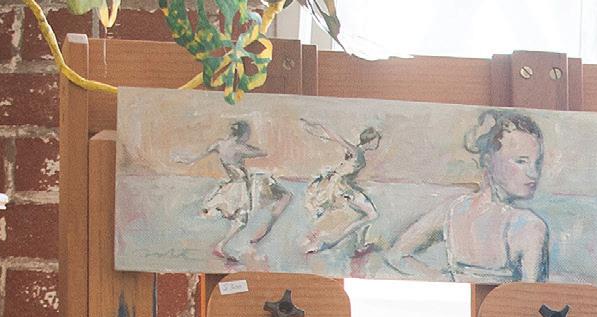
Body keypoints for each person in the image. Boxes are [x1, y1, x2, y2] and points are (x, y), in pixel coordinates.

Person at [388, 108, 550, 282]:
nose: (534, 173)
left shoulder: (453, 210)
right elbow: (531, 296)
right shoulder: (529, 226)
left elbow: (396, 255)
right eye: (521, 161)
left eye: (537, 162)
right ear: (488, 161)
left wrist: (443, 280)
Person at [177, 117, 290, 265]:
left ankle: (221, 245)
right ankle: (222, 245)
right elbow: (262, 152)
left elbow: (195, 157)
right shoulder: (240, 148)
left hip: (233, 184)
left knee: (239, 219)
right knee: (242, 220)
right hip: (241, 185)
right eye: (247, 135)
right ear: (243, 134)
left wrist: (185, 160)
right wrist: (251, 146)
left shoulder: (219, 144)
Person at [301, 119, 381, 259]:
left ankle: (360, 245)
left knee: (363, 214)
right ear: (370, 140)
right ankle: (330, 241)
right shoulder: (355, 151)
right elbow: (336, 138)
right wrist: (319, 126)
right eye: (376, 140)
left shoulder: (357, 151)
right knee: (372, 215)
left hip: (343, 186)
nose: (377, 143)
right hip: (340, 187)